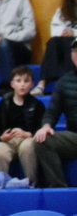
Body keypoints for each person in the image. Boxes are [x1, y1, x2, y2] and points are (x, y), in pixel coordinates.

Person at [32, 37, 77, 187]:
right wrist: (46, 125)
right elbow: (52, 112)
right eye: (75, 51)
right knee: (42, 140)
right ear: (71, 55)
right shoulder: (64, 82)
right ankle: (59, 189)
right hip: (74, 137)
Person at [0, 65, 42, 185]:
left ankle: (32, 183)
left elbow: (41, 128)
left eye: (26, 81)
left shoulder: (37, 105)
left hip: (28, 138)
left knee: (27, 147)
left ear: (32, 84)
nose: (22, 84)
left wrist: (28, 134)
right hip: (9, 140)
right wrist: (1, 137)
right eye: (18, 81)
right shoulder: (4, 104)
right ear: (12, 84)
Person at [33, 0, 77, 96]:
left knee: (72, 45)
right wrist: (64, 32)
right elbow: (55, 29)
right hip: (66, 42)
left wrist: (73, 32)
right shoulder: (63, 9)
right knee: (53, 42)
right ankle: (41, 84)